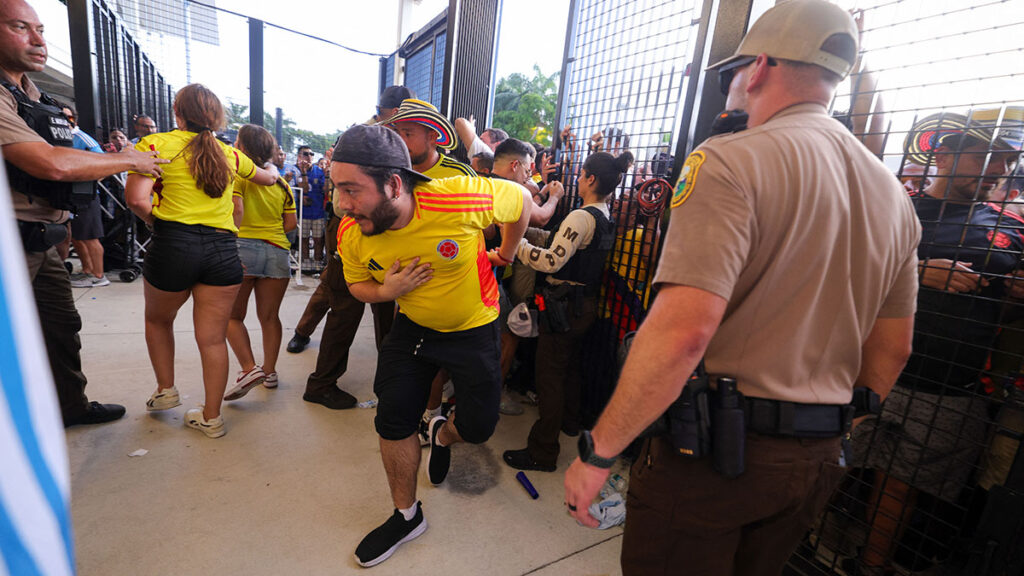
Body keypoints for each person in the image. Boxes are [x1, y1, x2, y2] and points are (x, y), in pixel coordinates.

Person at [562, 3, 921, 575]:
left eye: (734, 69)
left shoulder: (730, 160)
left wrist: (599, 452)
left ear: (758, 68)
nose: (730, 82)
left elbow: (683, 332)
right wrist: (833, 427)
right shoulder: (893, 195)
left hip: (715, 459)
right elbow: (893, 348)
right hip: (817, 458)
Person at [332, 125, 531, 567]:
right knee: (393, 418)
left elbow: (522, 203)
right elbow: (357, 283)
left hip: (474, 327)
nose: (342, 203)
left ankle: (442, 431)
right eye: (337, 188)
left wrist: (509, 253)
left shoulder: (456, 196)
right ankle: (407, 516)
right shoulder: (352, 230)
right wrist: (388, 291)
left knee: (478, 428)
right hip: (414, 328)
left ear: (394, 184)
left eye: (351, 189)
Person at [851, 110, 1023, 573]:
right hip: (868, 369)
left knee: (900, 483)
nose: (998, 170)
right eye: (986, 156)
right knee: (828, 460)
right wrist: (918, 273)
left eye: (1007, 162)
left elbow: (1005, 312)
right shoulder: (895, 208)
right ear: (942, 154)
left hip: (951, 387)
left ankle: (868, 565)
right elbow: (843, 273)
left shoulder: (1013, 228)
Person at [0, 0, 167, 426]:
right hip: (11, 239)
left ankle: (70, 407)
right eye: (22, 28)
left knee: (61, 327)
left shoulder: (34, 97)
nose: (39, 41)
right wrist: (130, 160)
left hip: (44, 237)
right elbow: (51, 162)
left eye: (40, 29)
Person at [125, 83, 278, 438]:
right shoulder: (231, 155)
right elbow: (268, 178)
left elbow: (137, 200)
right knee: (212, 339)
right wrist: (270, 169)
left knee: (159, 320)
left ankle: (166, 390)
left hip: (173, 245)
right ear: (217, 117)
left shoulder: (155, 145)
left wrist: (157, 221)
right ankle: (211, 417)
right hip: (223, 250)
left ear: (177, 112)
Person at [503, 151, 630, 472]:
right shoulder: (604, 216)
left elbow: (552, 261)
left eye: (582, 172)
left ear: (590, 179)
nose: (577, 177)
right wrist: (534, 235)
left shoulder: (580, 216)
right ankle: (570, 423)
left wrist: (515, 245)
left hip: (562, 307)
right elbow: (568, 248)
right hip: (585, 306)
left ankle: (542, 451)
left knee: (549, 377)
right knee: (570, 368)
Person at [286, 87, 416, 355]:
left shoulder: (398, 136)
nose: (409, 124)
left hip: (387, 228)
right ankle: (305, 337)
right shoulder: (365, 137)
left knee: (384, 296)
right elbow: (342, 202)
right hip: (351, 224)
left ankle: (387, 357)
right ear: (394, 112)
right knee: (337, 291)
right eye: (407, 114)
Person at [223, 124, 297, 400]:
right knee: (269, 316)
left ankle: (249, 368)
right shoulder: (282, 183)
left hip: (242, 248)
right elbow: (291, 223)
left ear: (241, 147)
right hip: (277, 251)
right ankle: (270, 371)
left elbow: (237, 210)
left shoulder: (239, 176)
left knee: (231, 316)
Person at [58, 102, 110, 288]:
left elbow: (104, 165)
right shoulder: (59, 137)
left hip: (84, 197)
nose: (64, 120)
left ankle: (98, 274)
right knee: (77, 236)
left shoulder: (82, 138)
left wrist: (88, 182)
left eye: (67, 117)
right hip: (69, 196)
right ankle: (88, 270)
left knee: (89, 236)